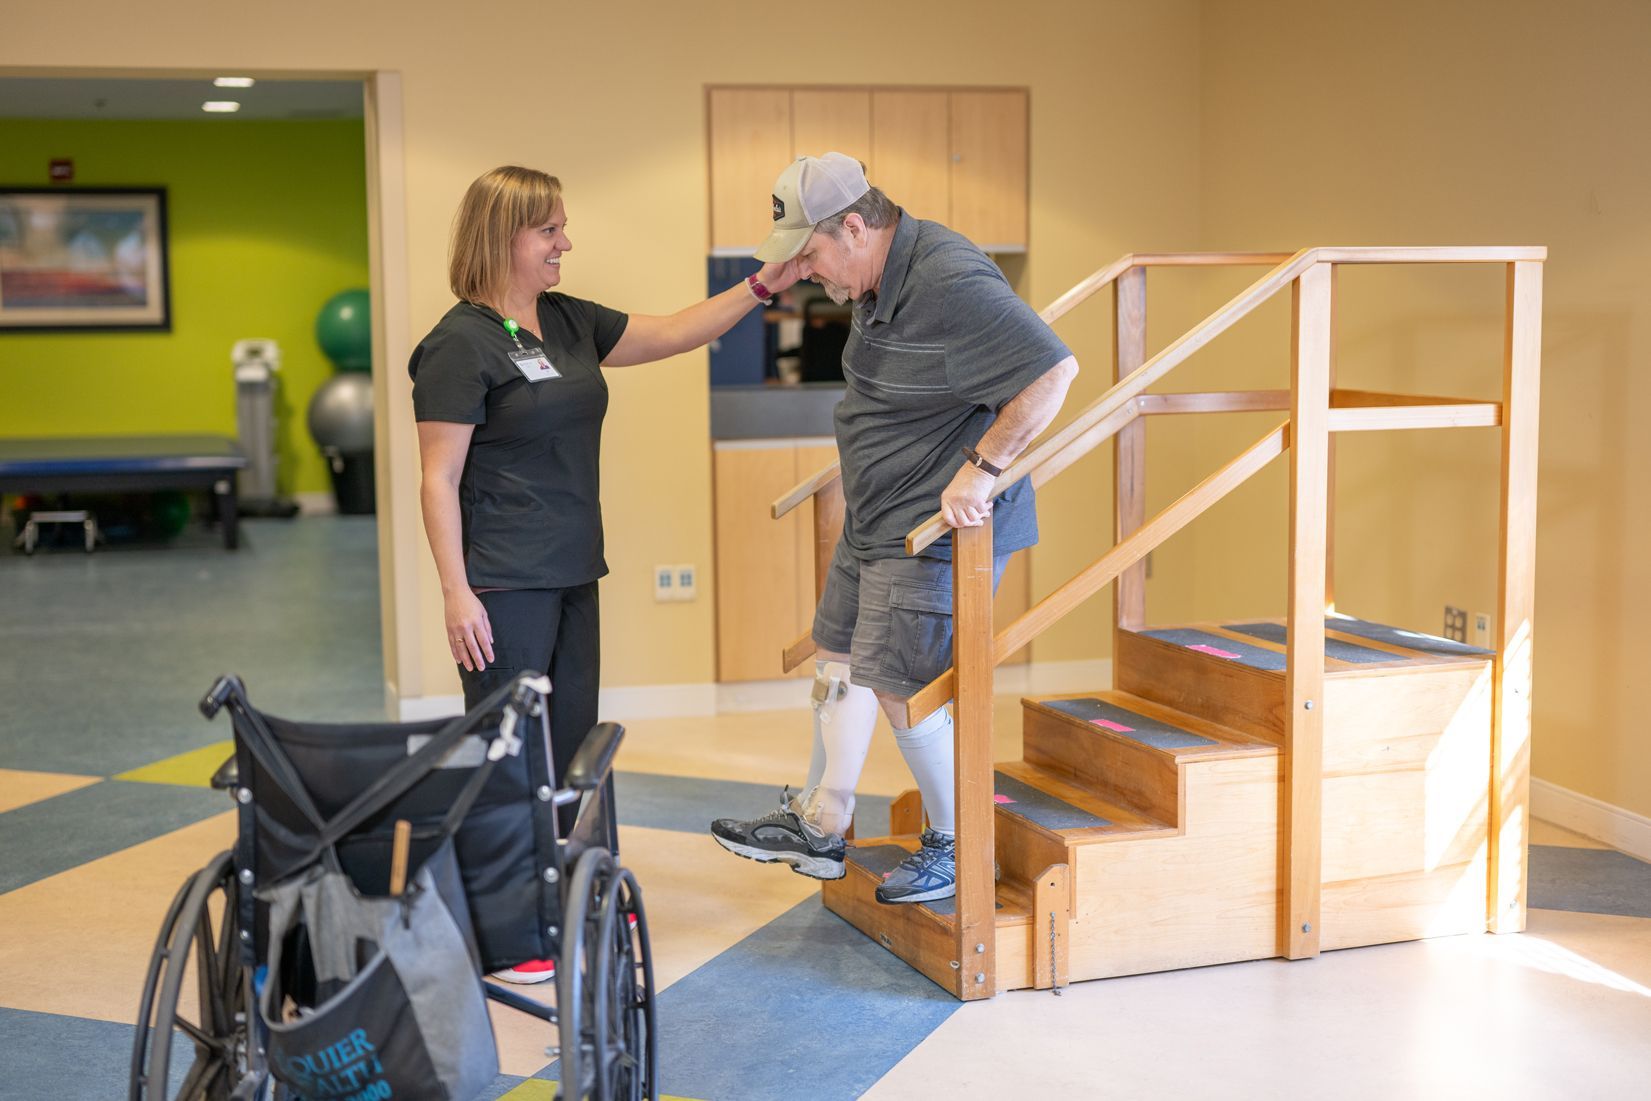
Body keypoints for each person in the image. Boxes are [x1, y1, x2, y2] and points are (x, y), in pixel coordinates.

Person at [410, 165, 801, 980]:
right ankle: (510, 929)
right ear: (503, 237)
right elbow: (437, 479)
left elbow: (676, 331)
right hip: (502, 583)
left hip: (572, 569)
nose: (565, 242)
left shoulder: (566, 321)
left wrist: (764, 283)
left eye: (562, 226)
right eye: (549, 229)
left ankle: (566, 895)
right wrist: (455, 591)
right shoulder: (458, 344)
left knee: (570, 745)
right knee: (508, 755)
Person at [710, 153, 1078, 905]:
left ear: (854, 226)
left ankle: (957, 844)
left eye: (811, 253)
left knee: (905, 689)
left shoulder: (946, 277)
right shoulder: (875, 278)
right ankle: (822, 821)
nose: (808, 272)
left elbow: (1053, 371)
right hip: (874, 513)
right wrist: (779, 272)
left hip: (932, 528)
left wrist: (981, 468)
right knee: (838, 659)